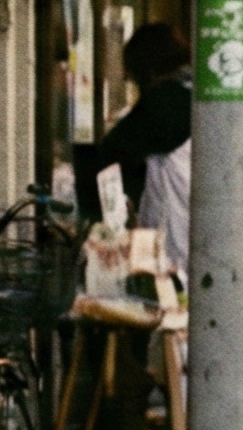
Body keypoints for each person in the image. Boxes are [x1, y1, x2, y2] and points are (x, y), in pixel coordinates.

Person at [75, 22, 194, 260]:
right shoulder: (194, 93)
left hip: (176, 233)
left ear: (147, 69)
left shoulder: (167, 101)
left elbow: (113, 151)